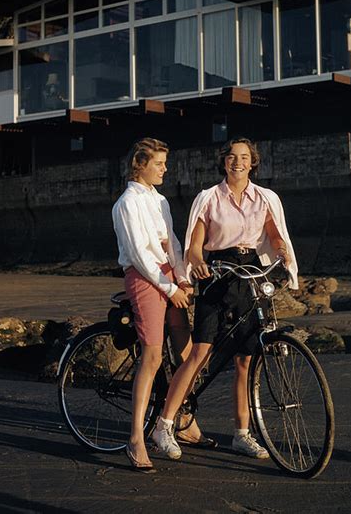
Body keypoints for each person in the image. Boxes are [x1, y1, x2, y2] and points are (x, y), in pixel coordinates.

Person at [152, 137, 299, 460]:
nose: (238, 162)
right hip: (218, 272)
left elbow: (274, 232)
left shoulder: (264, 198)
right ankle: (164, 424)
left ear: (252, 162)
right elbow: (194, 243)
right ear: (224, 161)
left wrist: (280, 248)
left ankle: (242, 434)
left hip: (250, 273)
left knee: (246, 360)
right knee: (200, 352)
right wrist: (198, 262)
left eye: (244, 157)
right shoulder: (209, 198)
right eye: (232, 157)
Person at [112, 137, 212, 472]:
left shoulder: (160, 201)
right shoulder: (127, 203)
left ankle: (180, 419)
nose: (165, 169)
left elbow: (174, 243)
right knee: (153, 357)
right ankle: (136, 438)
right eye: (159, 163)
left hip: (169, 277)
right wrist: (170, 289)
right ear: (139, 164)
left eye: (164, 163)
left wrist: (182, 278)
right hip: (144, 278)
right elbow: (140, 255)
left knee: (185, 353)